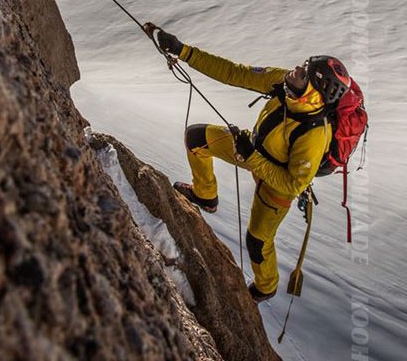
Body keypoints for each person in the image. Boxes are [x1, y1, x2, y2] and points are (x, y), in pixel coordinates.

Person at [143, 22, 351, 303]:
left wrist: (251, 156)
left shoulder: (315, 134)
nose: (296, 69)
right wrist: (184, 51)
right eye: (303, 65)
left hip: (276, 187)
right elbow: (235, 73)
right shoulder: (285, 83)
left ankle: (266, 286)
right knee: (196, 139)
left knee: (257, 241)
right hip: (252, 150)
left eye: (305, 72)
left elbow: (292, 183)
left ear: (315, 90)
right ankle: (205, 195)